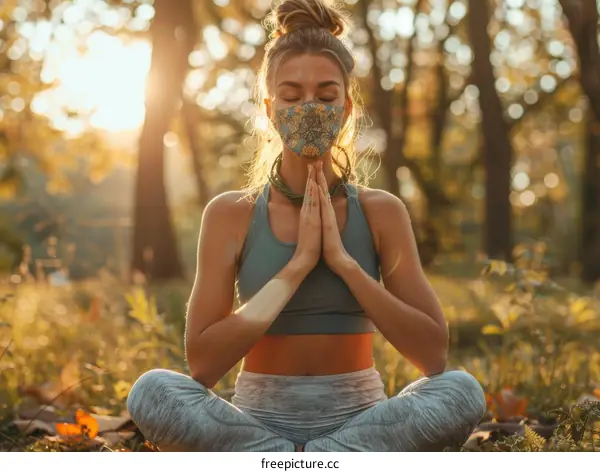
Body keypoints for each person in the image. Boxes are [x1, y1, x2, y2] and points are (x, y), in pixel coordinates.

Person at [126, 0, 486, 452]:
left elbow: (433, 355)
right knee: (152, 392)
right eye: (292, 97)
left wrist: (345, 265)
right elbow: (202, 365)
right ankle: (318, 461)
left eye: (327, 95)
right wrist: (295, 268)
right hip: (257, 422)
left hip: (362, 420)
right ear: (270, 107)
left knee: (461, 391)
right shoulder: (230, 213)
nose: (310, 107)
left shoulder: (382, 211)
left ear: (347, 107)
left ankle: (294, 461)